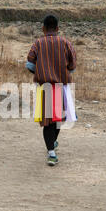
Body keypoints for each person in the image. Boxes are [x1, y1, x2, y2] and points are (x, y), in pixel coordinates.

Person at [26, 14, 77, 166]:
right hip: (62, 87)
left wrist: (40, 71)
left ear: (43, 29)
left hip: (45, 88)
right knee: (58, 120)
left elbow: (29, 64)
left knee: (47, 122)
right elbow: (73, 66)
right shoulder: (65, 43)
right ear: (57, 28)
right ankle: (52, 145)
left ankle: (51, 152)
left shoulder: (38, 43)